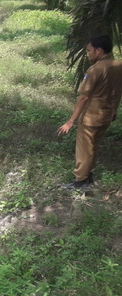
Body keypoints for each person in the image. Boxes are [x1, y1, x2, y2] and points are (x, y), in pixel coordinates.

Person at [57, 35, 122, 189]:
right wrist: (113, 110)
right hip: (107, 115)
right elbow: (118, 91)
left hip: (91, 117)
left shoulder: (95, 69)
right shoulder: (119, 65)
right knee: (94, 146)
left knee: (84, 149)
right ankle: (89, 176)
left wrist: (71, 120)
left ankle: (80, 181)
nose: (88, 53)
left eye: (89, 50)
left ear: (99, 51)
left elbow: (84, 98)